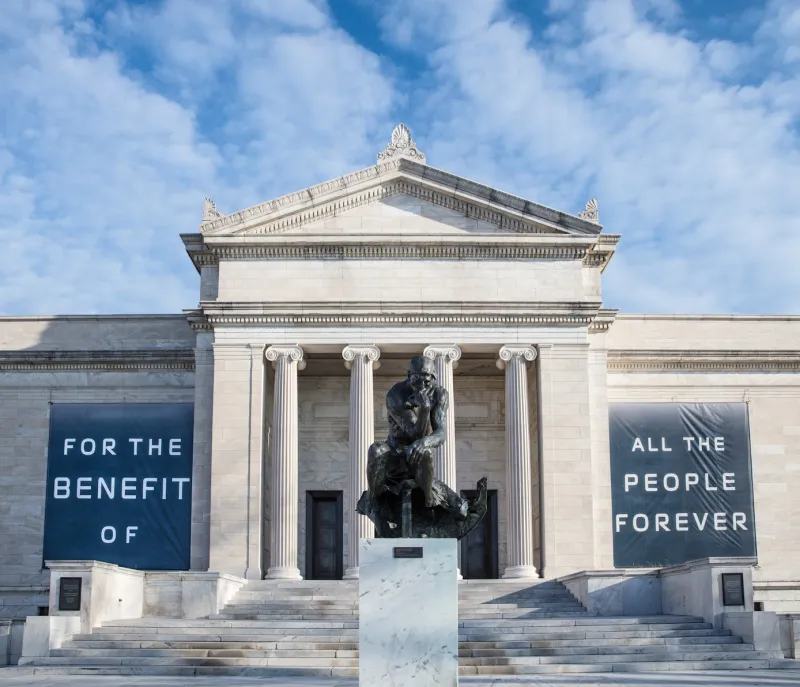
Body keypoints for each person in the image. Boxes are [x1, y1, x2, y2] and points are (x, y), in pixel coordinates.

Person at [366, 355, 446, 509]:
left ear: (433, 378)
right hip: (395, 451)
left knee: (426, 452)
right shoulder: (395, 394)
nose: (422, 385)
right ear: (409, 376)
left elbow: (441, 432)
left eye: (427, 381)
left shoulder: (439, 394)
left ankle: (429, 499)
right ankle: (374, 499)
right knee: (376, 450)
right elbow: (414, 433)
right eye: (417, 380)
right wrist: (425, 409)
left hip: (418, 454)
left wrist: (425, 442)